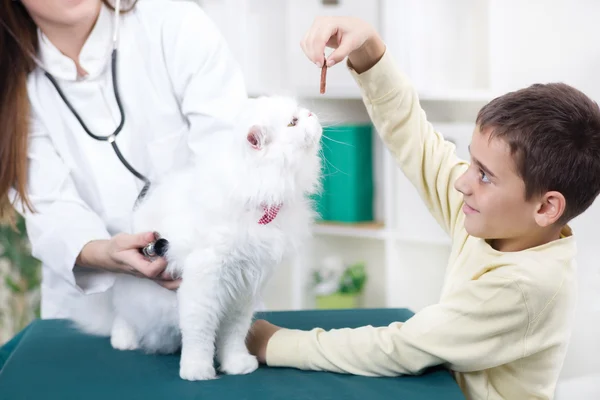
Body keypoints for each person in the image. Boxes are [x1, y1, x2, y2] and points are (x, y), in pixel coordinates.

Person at [246, 16, 600, 399]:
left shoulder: (526, 285)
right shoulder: (504, 221)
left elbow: (403, 348)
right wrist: (369, 51)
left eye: (484, 175)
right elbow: (417, 139)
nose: (463, 181)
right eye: (471, 162)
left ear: (547, 208)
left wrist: (275, 344)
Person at [0, 0, 247, 319]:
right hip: (90, 320)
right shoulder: (14, 84)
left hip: (205, 293)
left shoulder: (173, 22)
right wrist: (105, 252)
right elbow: (51, 207)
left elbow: (227, 158)